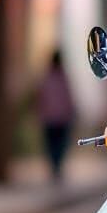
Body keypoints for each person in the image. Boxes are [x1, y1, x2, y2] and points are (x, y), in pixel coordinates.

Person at [37, 50, 76, 183]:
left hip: (49, 118)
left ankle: (55, 167)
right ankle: (56, 167)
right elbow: (68, 97)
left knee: (51, 145)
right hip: (61, 118)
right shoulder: (63, 78)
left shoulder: (46, 78)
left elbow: (41, 97)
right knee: (59, 145)